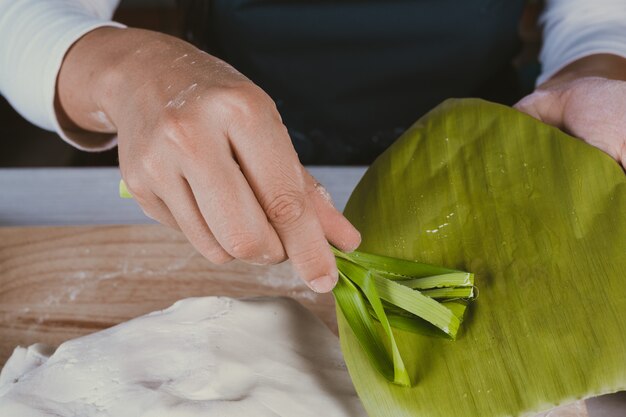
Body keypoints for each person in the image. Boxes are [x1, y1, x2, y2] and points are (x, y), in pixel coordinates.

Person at [1, 0, 625, 294]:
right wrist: (123, 69)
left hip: (484, 153)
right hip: (228, 151)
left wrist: (586, 80)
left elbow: (598, 15)